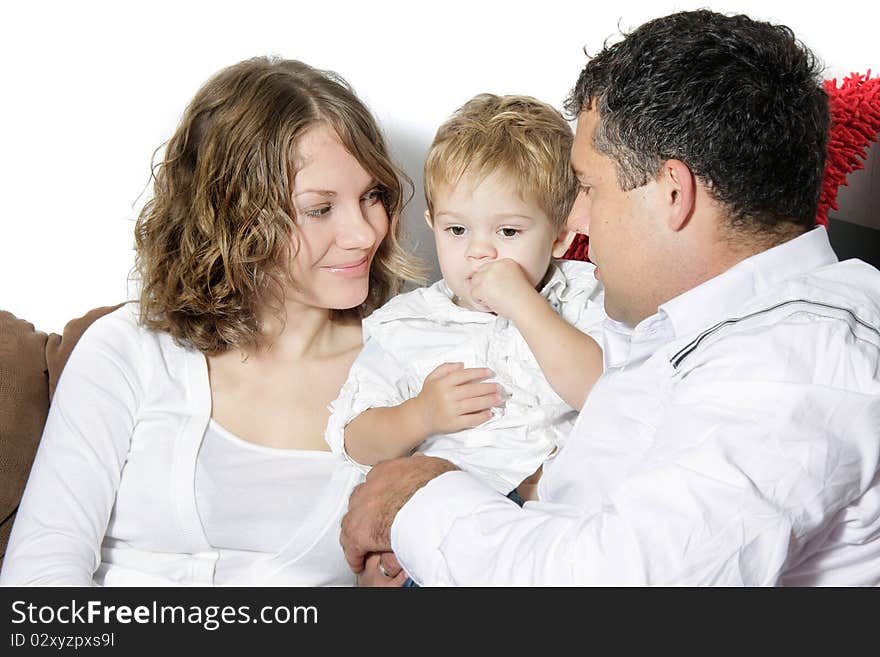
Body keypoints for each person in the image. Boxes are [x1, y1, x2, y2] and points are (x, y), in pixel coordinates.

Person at [343, 10, 880, 586]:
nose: (575, 219)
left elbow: (617, 583)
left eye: (590, 187)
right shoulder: (710, 324)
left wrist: (415, 503)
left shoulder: (798, 368)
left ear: (673, 193)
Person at [0, 56, 422, 586]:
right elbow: (38, 583)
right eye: (320, 208)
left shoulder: (408, 371)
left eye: (371, 197)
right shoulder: (128, 350)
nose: (363, 233)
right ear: (234, 214)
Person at [325, 94, 605, 503]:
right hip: (449, 516)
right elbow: (356, 441)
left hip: (556, 512)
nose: (479, 251)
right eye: (457, 231)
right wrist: (419, 415)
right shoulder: (409, 323)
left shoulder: (584, 294)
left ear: (561, 236)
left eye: (507, 232)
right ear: (432, 225)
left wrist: (527, 306)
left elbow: (605, 394)